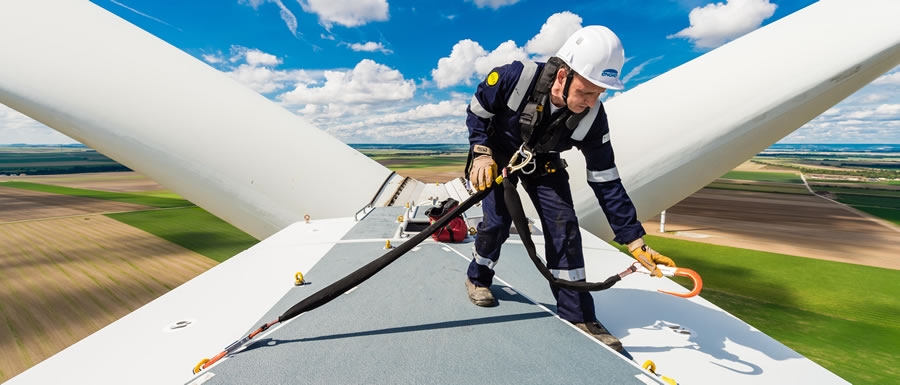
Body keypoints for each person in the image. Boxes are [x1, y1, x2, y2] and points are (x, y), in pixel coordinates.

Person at [463, 25, 675, 355]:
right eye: (587, 92)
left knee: (565, 228)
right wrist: (480, 151)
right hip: (496, 156)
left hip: (543, 162)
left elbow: (606, 179)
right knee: (497, 221)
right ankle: (478, 276)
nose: (592, 102)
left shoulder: (592, 117)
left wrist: (635, 239)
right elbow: (478, 112)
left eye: (600, 94)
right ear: (562, 77)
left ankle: (577, 315)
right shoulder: (514, 77)